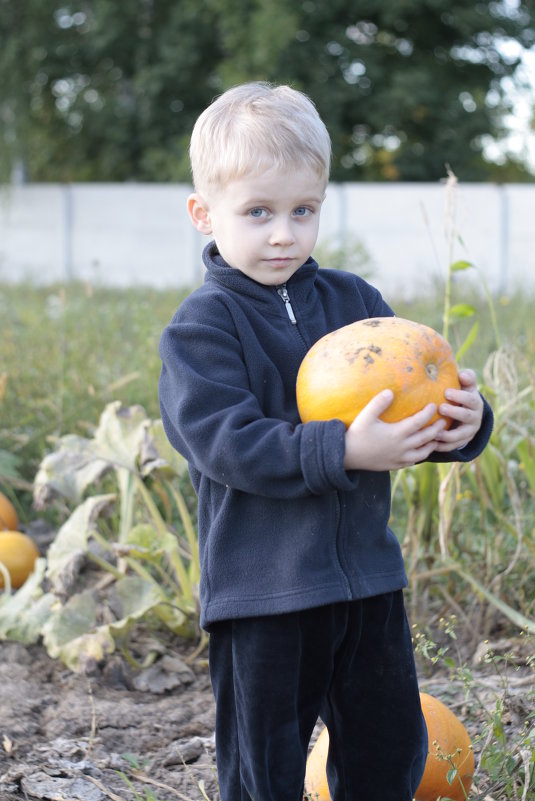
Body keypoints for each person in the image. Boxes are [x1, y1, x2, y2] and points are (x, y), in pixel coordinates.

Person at [158, 82, 493, 801]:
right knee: (263, 768)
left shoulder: (355, 304)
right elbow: (225, 442)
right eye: (257, 212)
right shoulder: (201, 328)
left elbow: (404, 402)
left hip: (367, 581)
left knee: (389, 747)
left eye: (301, 210)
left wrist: (462, 424)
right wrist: (337, 450)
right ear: (202, 214)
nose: (283, 233)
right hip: (263, 595)